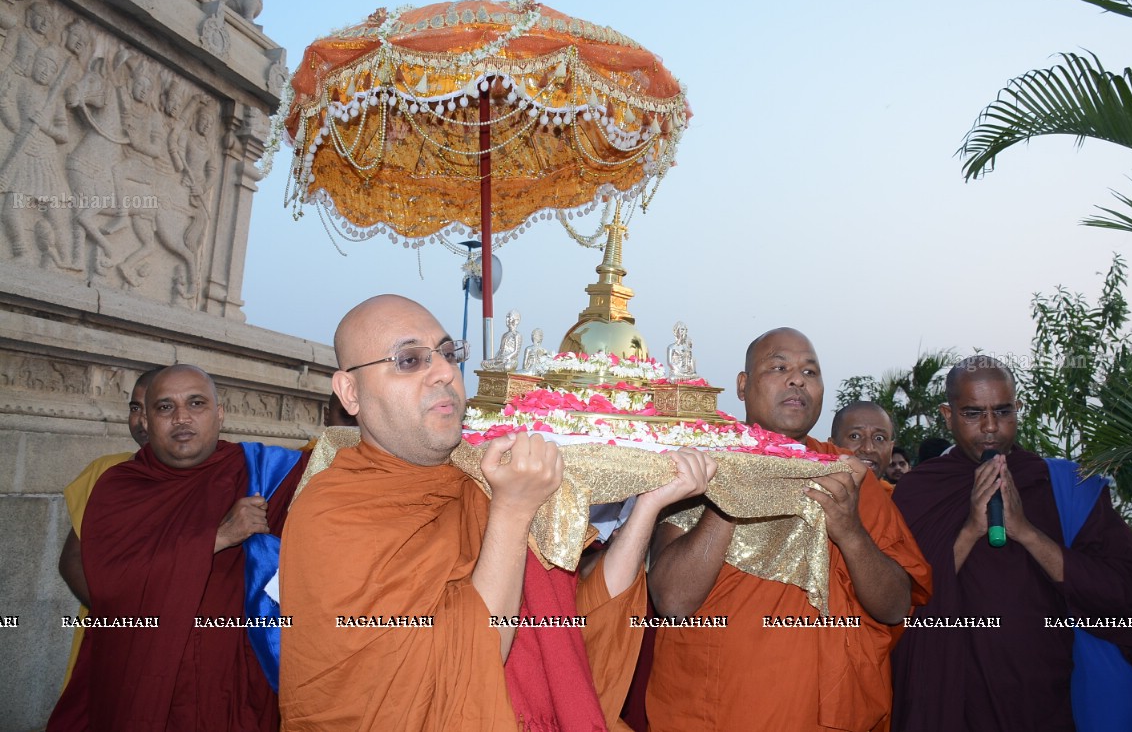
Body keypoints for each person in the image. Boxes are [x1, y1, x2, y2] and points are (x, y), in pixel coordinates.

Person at [278, 294, 715, 731]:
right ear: (350, 392)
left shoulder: (480, 478)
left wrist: (647, 507)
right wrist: (513, 510)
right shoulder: (333, 513)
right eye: (410, 361)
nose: (446, 373)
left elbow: (563, 637)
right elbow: (452, 673)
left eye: (449, 354)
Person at [646, 327, 932, 731]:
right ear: (743, 386)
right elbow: (673, 601)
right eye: (779, 367)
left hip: (829, 711)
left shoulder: (848, 477)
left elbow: (894, 607)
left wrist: (850, 532)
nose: (797, 379)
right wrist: (732, 498)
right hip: (718, 707)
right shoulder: (702, 466)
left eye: (810, 372)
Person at [890, 355, 1132, 732]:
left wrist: (1026, 532)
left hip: (1050, 695)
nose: (990, 428)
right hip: (954, 696)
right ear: (947, 416)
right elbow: (898, 597)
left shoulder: (1064, 486)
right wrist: (970, 530)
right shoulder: (920, 490)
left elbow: (1124, 586)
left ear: (1019, 408)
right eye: (972, 413)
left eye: (1002, 410)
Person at [48, 364, 308, 731]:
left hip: (234, 683)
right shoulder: (119, 486)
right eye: (165, 407)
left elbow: (346, 467)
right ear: (146, 421)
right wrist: (218, 537)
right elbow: (109, 584)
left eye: (196, 403)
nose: (182, 417)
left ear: (220, 414)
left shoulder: (263, 472)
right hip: (140, 674)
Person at [57, 366, 162, 689]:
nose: (142, 421)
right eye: (134, 408)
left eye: (155, 408)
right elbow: (72, 561)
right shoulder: (106, 471)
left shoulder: (215, 478)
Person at [830, 400, 895, 487]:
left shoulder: (897, 498)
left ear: (891, 451)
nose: (868, 449)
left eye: (879, 438)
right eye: (855, 436)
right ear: (832, 446)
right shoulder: (811, 495)